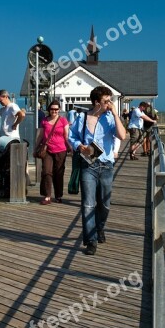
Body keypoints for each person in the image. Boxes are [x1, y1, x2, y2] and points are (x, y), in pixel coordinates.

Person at [68, 85, 127, 256]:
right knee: (88, 204)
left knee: (105, 204)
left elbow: (122, 136)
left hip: (107, 165)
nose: (109, 103)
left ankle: (100, 228)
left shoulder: (110, 118)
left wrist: (116, 114)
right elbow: (72, 136)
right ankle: (91, 241)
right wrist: (80, 146)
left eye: (110, 100)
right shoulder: (83, 117)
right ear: (96, 102)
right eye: (106, 101)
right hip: (89, 165)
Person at [35, 100, 69, 205]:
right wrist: (35, 148)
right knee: (46, 172)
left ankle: (58, 195)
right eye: (52, 109)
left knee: (59, 173)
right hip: (47, 150)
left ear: (59, 110)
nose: (54, 111)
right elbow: (40, 135)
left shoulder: (63, 121)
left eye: (56, 109)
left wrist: (70, 147)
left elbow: (66, 136)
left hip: (61, 150)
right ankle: (47, 196)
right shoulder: (44, 121)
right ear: (49, 110)